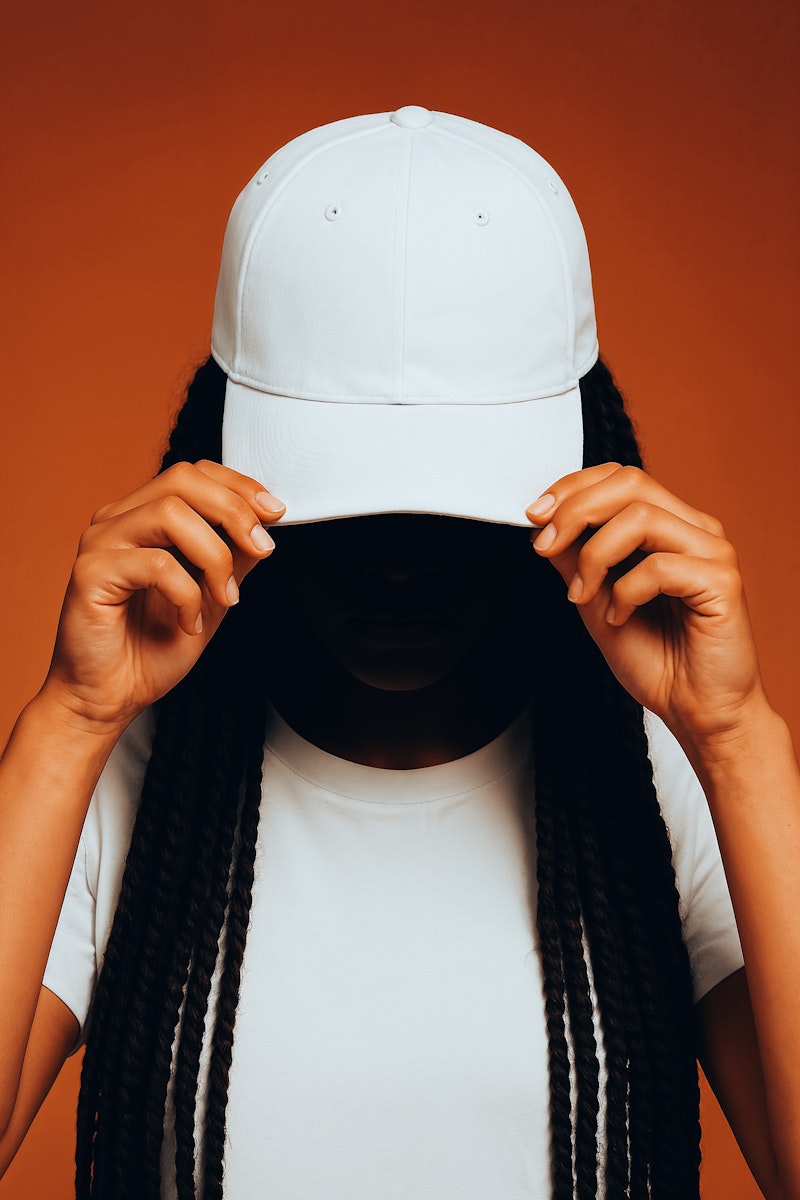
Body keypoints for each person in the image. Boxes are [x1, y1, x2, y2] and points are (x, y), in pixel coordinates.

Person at [0, 106, 798, 1200]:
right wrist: (68, 721)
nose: (397, 569)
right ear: (223, 465)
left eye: (452, 517)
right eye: (348, 513)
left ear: (575, 474)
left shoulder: (656, 777)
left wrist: (737, 737)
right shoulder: (130, 779)